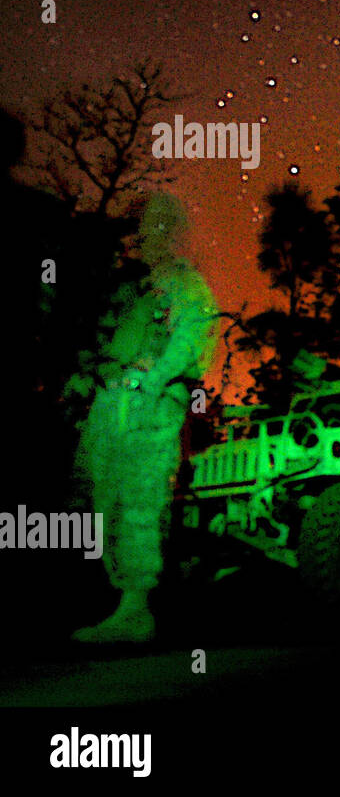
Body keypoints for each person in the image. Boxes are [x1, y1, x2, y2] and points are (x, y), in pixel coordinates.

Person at [68, 192, 219, 643]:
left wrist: (152, 383)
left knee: (139, 499)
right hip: (109, 404)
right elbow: (98, 338)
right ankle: (114, 598)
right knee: (97, 496)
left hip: (148, 405)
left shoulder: (185, 283)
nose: (147, 235)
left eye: (158, 225)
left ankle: (136, 609)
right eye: (143, 225)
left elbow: (194, 335)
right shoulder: (128, 286)